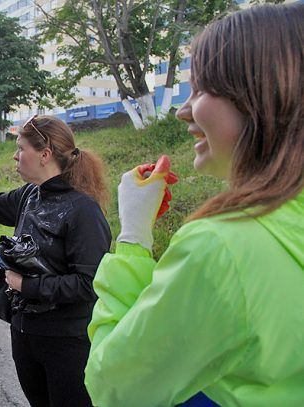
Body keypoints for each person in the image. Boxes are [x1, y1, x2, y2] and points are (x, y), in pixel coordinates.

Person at [84, 3, 304, 406]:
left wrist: (133, 235)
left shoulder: (222, 250)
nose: (184, 110)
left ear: (262, 95)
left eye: (201, 89)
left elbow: (114, 387)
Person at [0, 115, 112, 406]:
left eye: (20, 148)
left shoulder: (83, 211)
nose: (15, 156)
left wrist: (27, 285)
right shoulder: (31, 195)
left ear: (45, 154)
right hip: (25, 334)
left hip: (67, 343)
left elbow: (89, 284)